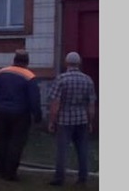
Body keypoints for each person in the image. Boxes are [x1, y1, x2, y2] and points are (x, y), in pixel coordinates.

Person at [0, 49, 42, 181]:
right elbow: (34, 99)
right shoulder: (29, 76)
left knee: (2, 142)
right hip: (21, 115)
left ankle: (1, 171)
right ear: (27, 62)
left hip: (3, 113)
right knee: (16, 143)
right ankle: (11, 173)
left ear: (14, 60)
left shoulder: (1, 73)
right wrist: (37, 116)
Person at [47, 51, 97, 186]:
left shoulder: (61, 79)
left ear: (66, 63)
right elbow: (91, 105)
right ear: (79, 63)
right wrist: (90, 122)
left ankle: (59, 178)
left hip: (64, 120)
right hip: (82, 120)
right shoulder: (88, 80)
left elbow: (55, 104)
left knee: (62, 150)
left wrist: (52, 121)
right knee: (82, 149)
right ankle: (82, 178)